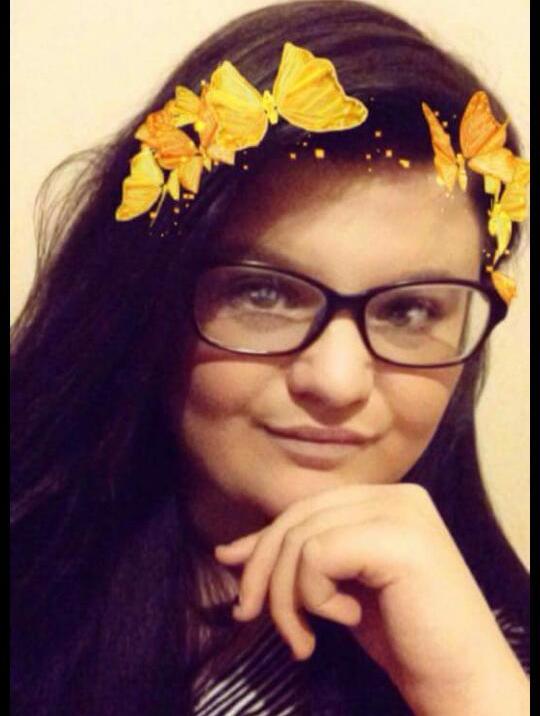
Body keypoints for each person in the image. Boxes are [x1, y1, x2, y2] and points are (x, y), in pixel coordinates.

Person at [10, 1, 530, 714]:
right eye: (263, 293)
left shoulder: (493, 667)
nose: (337, 382)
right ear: (146, 299)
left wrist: (468, 691)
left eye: (410, 311)